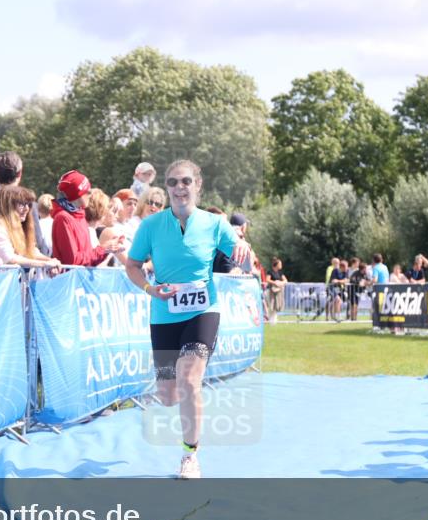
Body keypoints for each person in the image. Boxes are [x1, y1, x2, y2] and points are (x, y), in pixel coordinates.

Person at [125, 159, 251, 479]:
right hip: (164, 314)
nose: (179, 188)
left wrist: (243, 248)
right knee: (168, 396)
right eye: (172, 182)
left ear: (198, 185)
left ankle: (190, 455)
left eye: (185, 181)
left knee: (190, 379)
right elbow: (132, 265)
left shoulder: (214, 223)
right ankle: (174, 396)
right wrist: (150, 289)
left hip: (202, 311)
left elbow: (243, 256)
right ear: (166, 188)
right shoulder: (151, 226)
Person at [0, 185, 61, 269]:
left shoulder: (15, 226)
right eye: (22, 204)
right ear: (8, 206)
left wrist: (50, 260)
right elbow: (9, 258)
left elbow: (30, 251)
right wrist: (45, 264)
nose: (27, 208)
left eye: (28, 204)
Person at [51, 170, 124, 266]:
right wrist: (103, 249)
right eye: (87, 191)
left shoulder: (80, 215)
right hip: (70, 275)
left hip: (82, 275)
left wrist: (110, 249)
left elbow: (89, 259)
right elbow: (72, 260)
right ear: (76, 194)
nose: (90, 195)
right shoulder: (63, 218)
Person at [265, 257, 287, 324]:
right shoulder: (270, 272)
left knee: (276, 306)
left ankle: (273, 321)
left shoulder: (280, 272)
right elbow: (267, 280)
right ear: (276, 265)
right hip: (270, 291)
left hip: (277, 292)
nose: (281, 265)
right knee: (271, 306)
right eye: (280, 264)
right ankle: (269, 319)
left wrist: (281, 283)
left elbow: (285, 280)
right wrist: (275, 282)